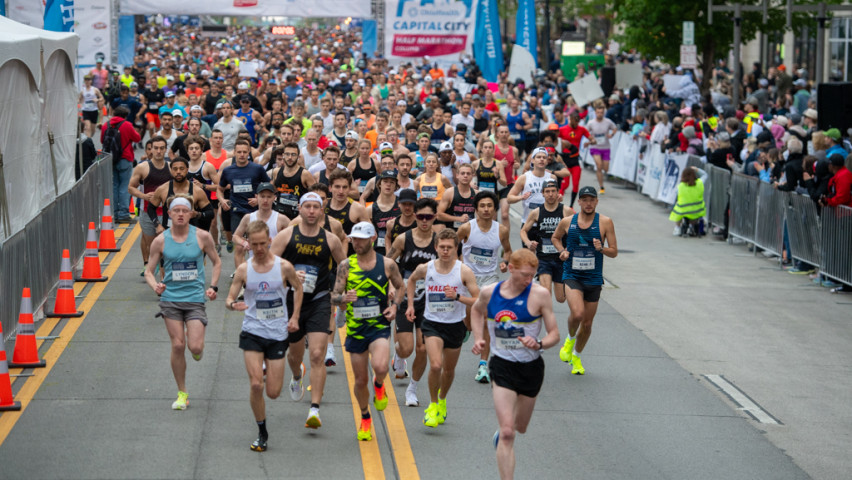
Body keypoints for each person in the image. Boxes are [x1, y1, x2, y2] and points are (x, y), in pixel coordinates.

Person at [470, 249, 559, 480]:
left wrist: (539, 343)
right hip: (502, 365)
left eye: (532, 275)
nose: (529, 280)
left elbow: (555, 334)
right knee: (509, 432)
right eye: (524, 275)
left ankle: (503, 433)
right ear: (510, 269)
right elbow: (476, 311)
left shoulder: (540, 295)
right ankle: (504, 440)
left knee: (520, 427)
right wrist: (478, 337)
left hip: (531, 368)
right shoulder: (490, 292)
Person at [270, 192, 347, 429]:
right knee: (294, 355)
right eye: (307, 207)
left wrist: (338, 291)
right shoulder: (287, 235)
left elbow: (344, 266)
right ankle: (297, 376)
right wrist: (290, 274)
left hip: (319, 301)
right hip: (291, 301)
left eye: (316, 207)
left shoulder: (331, 239)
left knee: (316, 354)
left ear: (322, 211)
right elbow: (268, 265)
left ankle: (315, 409)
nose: (312, 211)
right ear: (300, 209)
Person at [225, 220, 302, 452]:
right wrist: (233, 305)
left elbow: (298, 288)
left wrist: (295, 317)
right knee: (257, 384)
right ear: (248, 243)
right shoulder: (243, 270)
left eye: (262, 243)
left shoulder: (284, 267)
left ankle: (294, 370)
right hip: (252, 331)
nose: (259, 248)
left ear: (269, 241)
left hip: (277, 333)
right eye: (254, 244)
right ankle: (262, 432)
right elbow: (229, 298)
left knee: (274, 392)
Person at [144, 195, 222, 411]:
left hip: (195, 298)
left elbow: (216, 262)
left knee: (195, 346)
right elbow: (149, 271)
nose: (180, 214)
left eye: (184, 211)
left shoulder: (202, 236)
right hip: (171, 299)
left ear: (190, 214)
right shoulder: (160, 240)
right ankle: (182, 393)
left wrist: (213, 287)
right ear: (169, 214)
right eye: (176, 211)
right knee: (178, 345)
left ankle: (196, 346)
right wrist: (155, 286)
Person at [331, 221, 405, 440]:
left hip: (378, 325)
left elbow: (400, 286)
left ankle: (379, 384)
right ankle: (365, 417)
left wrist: (394, 307)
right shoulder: (345, 265)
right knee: (360, 380)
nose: (357, 243)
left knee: (380, 366)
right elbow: (334, 296)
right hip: (356, 329)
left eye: (362, 239)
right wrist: (343, 299)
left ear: (373, 239)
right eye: (354, 239)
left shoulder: (387, 264)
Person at [405, 229, 480, 427]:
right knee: (436, 365)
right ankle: (433, 405)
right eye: (442, 247)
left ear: (456, 249)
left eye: (449, 248)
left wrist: (457, 297)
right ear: (436, 247)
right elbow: (411, 281)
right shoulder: (426, 268)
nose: (445, 251)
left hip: (455, 325)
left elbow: (478, 299)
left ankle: (442, 398)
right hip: (432, 324)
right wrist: (411, 305)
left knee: (448, 370)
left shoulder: (464, 271)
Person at [551, 186, 618, 375]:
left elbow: (614, 252)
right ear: (579, 201)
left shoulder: (605, 222)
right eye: (584, 200)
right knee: (578, 313)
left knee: (587, 324)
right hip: (572, 275)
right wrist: (562, 251)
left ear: (596, 201)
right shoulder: (567, 221)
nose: (588, 203)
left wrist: (601, 248)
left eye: (591, 200)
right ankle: (570, 340)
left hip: (594, 278)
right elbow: (555, 238)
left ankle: (576, 356)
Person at [386, 197, 439, 406]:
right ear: (415, 216)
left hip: (430, 300)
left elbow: (453, 265)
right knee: (406, 348)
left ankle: (412, 389)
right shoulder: (403, 239)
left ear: (435, 217)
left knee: (423, 348)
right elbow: (387, 263)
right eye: (421, 216)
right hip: (405, 295)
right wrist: (391, 286)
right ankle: (399, 356)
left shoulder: (439, 241)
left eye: (429, 217)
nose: (424, 221)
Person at [458, 191, 512, 383]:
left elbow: (508, 251)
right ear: (476, 209)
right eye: (482, 206)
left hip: (490, 279)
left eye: (490, 206)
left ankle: (483, 365)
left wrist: (505, 262)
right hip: (469, 279)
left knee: (487, 321)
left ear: (494, 209)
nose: (486, 209)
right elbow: (452, 246)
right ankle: (466, 327)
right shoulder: (466, 228)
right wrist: (458, 266)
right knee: (469, 322)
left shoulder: (501, 230)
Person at [519, 181, 574, 304]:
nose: (550, 194)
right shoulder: (536, 212)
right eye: (547, 191)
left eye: (553, 191)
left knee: (561, 298)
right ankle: (543, 313)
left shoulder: (566, 211)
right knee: (546, 293)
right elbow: (523, 231)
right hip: (544, 259)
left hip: (561, 259)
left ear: (558, 192)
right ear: (543, 193)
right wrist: (528, 242)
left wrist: (569, 249)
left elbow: (576, 232)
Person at [217, 140, 271, 252]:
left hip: (254, 211)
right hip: (236, 210)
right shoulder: (228, 170)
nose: (242, 154)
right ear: (234, 153)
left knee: (256, 243)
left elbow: (270, 187)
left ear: (249, 153)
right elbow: (219, 189)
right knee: (239, 245)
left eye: (245, 152)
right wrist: (222, 200)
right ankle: (240, 264)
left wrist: (259, 199)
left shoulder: (257, 169)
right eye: (239, 152)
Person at [129, 136, 172, 274]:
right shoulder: (142, 167)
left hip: (167, 213)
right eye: (156, 148)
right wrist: (143, 196)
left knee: (166, 246)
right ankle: (154, 267)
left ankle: (164, 275)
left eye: (161, 148)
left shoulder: (171, 167)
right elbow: (131, 187)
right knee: (153, 246)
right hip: (147, 213)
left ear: (166, 150)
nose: (159, 151)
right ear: (151, 149)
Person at [232, 183, 290, 268]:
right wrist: (244, 243)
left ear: (274, 198)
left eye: (269, 197)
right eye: (262, 196)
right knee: (238, 248)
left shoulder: (282, 219)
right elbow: (235, 236)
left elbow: (294, 238)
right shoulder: (248, 217)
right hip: (254, 265)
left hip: (274, 265)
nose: (265, 200)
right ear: (256, 197)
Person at [103, 106, 141, 223]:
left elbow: (102, 140)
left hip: (111, 159)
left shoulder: (106, 125)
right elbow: (137, 138)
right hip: (125, 158)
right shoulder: (127, 125)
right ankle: (123, 214)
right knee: (125, 186)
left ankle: (114, 213)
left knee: (114, 186)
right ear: (125, 116)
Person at [271, 142, 317, 220]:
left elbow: (316, 194)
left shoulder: (305, 174)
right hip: (279, 214)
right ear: (283, 155)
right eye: (287, 154)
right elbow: (273, 190)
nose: (290, 157)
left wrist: (306, 205)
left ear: (298, 156)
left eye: (293, 154)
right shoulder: (276, 171)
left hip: (297, 216)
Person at [507, 148, 555, 222]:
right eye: (538, 157)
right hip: (528, 222)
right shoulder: (524, 177)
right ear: (532, 160)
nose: (541, 159)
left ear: (547, 161)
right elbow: (509, 198)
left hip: (547, 222)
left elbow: (556, 198)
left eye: (544, 157)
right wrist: (521, 197)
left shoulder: (552, 178)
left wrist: (558, 198)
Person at [586, 100, 617, 194]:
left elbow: (615, 128)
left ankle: (602, 178)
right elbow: (586, 132)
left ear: (604, 113)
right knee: (599, 166)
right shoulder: (591, 123)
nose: (600, 114)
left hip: (606, 147)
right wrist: (590, 140)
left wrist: (611, 135)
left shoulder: (608, 122)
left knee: (605, 169)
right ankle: (601, 187)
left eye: (601, 112)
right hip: (595, 147)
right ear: (595, 113)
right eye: (598, 112)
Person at [669, 167, 707, 237]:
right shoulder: (700, 183)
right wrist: (696, 169)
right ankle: (691, 226)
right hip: (697, 210)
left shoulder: (680, 186)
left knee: (677, 208)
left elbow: (676, 195)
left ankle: (677, 228)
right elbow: (705, 175)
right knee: (695, 214)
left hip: (683, 210)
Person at [437, 163, 476, 230]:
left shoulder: (476, 194)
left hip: (470, 232)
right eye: (462, 173)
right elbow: (439, 215)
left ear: (472, 176)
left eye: (468, 173)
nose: (465, 176)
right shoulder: (449, 193)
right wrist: (458, 219)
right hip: (452, 232)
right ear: (457, 175)